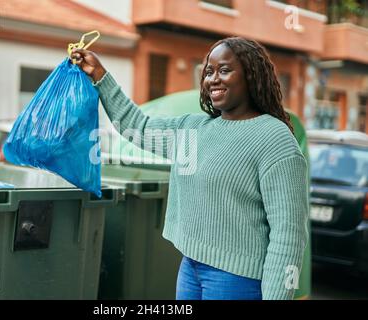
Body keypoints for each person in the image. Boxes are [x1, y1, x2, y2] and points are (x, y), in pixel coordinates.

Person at [71, 36, 309, 300]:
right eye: (209, 72)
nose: (213, 79)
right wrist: (100, 76)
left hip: (237, 279)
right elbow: (137, 127)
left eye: (225, 70)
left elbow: (289, 232)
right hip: (190, 267)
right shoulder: (193, 130)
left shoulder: (273, 138)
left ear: (252, 75)